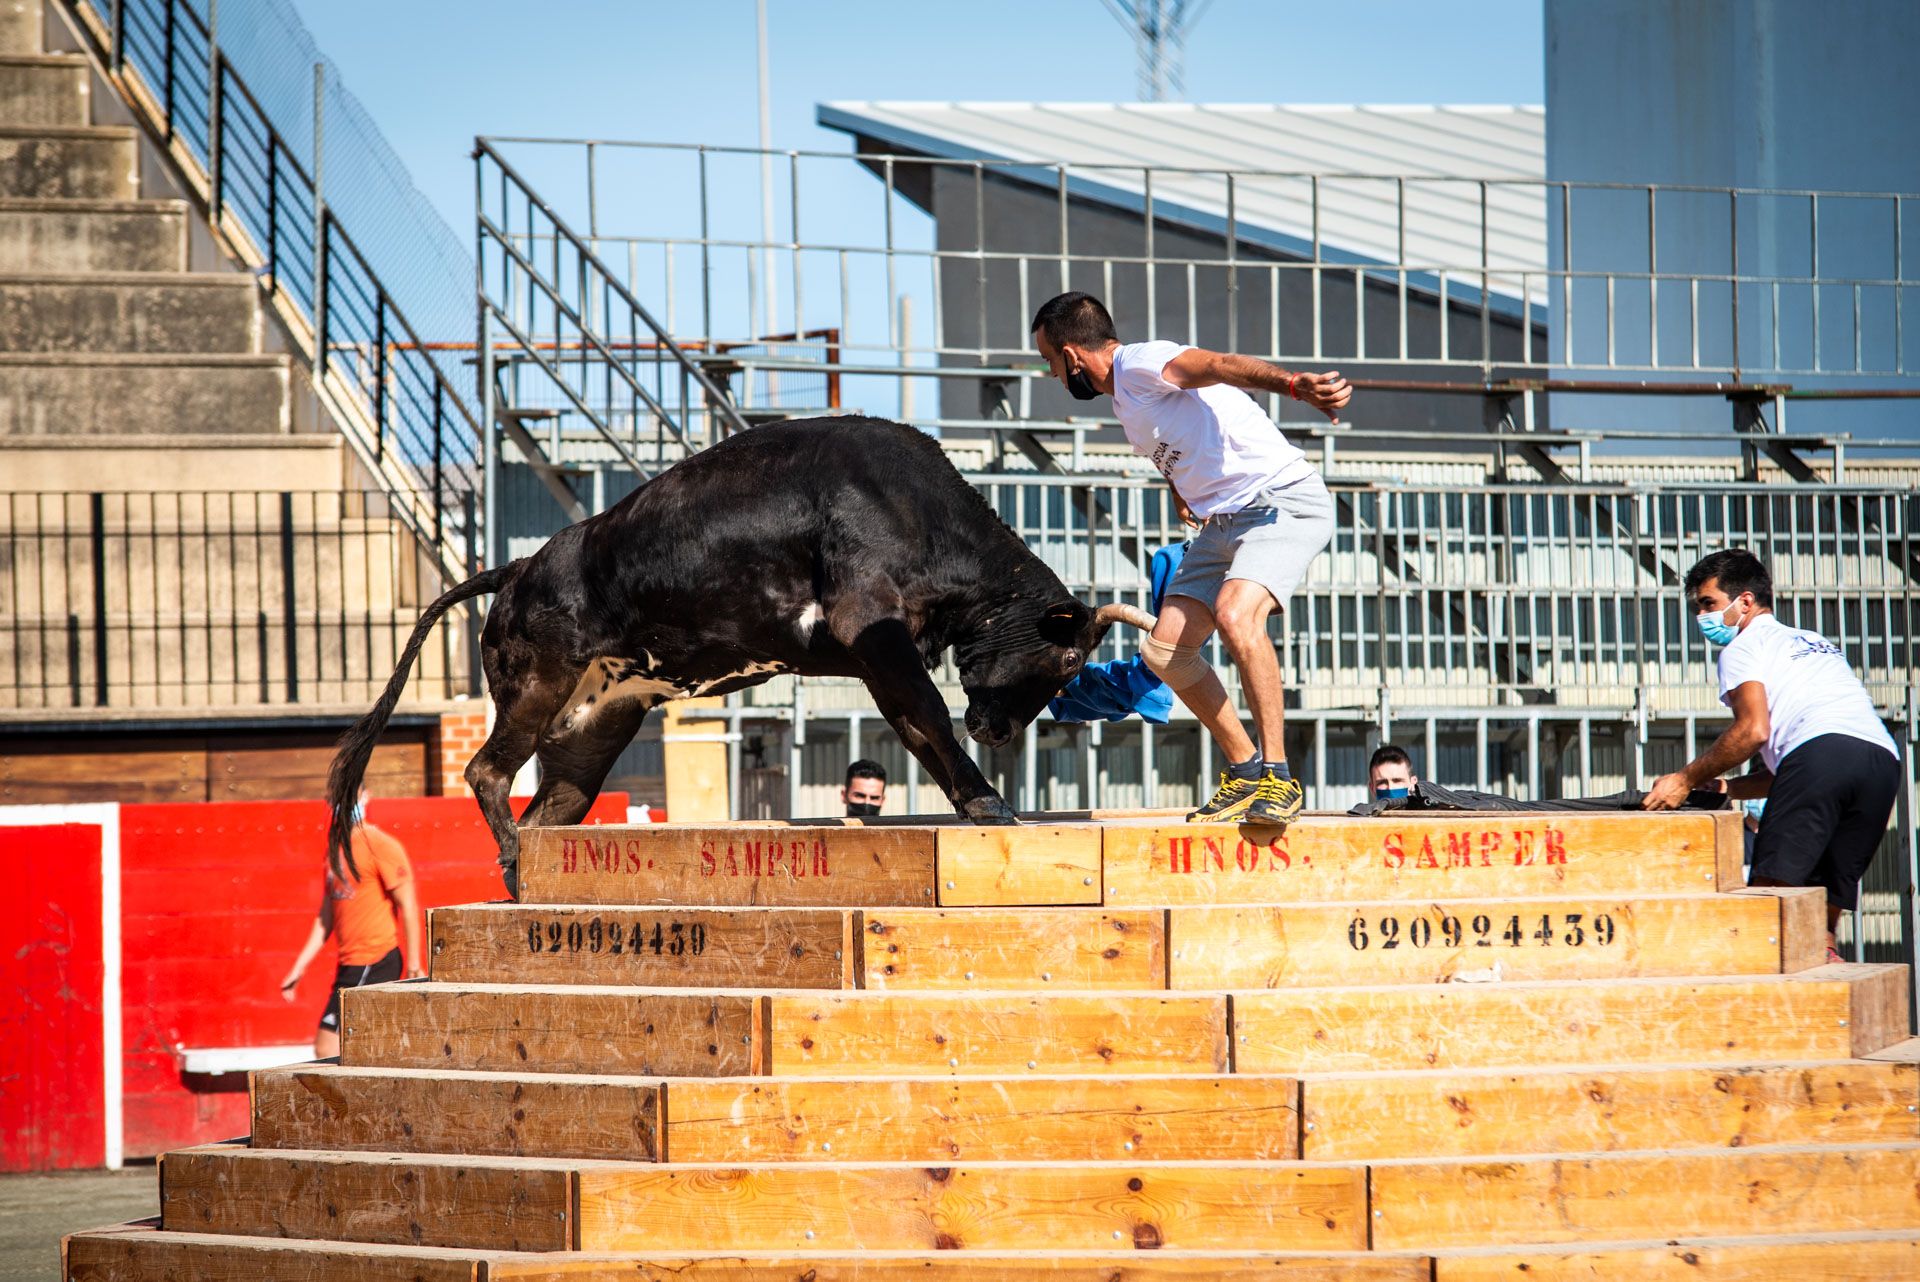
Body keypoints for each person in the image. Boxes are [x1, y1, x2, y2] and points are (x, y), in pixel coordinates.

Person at [1031, 291, 1351, 826]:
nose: (1054, 377)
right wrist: (1181, 489)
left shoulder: (1140, 362)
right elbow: (1177, 446)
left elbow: (1220, 366)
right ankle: (1246, 771)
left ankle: (1279, 775)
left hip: (1280, 501)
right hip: (1222, 523)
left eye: (1050, 363)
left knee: (1234, 615)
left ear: (1072, 353)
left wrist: (1293, 385)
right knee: (1165, 651)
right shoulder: (1125, 401)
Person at [1643, 549, 1901, 961]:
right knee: (1823, 915)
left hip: (1820, 757)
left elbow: (1752, 731)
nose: (1702, 617)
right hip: (1881, 762)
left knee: (1769, 906)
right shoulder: (1814, 642)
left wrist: (1684, 779)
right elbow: (1802, 759)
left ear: (1744, 601)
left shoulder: (1742, 648)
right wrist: (1728, 786)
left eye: (1708, 604)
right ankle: (1826, 966)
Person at [279, 788, 424, 1057]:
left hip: (376, 960)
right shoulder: (335, 849)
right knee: (361, 1051)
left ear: (365, 797)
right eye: (337, 798)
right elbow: (325, 918)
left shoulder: (379, 844)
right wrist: (299, 967)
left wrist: (414, 964)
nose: (342, 804)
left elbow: (408, 904)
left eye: (350, 796)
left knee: (328, 1048)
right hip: (350, 966)